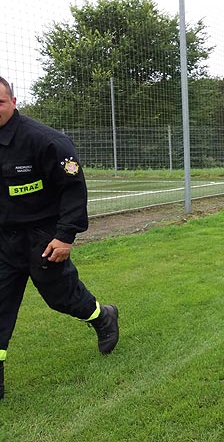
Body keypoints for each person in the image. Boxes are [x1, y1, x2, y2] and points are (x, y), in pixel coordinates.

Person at [0, 77, 119, 400]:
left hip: (43, 237)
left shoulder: (46, 141)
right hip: (4, 239)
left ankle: (102, 316)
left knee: (61, 297)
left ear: (13, 101)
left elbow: (73, 189)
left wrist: (65, 236)